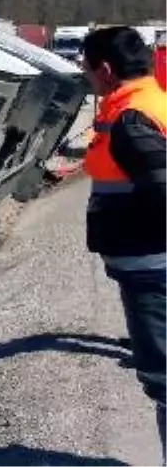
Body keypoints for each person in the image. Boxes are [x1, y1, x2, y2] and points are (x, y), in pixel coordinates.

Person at [78, 26, 167, 462]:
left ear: (107, 70)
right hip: (152, 265)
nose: (87, 76)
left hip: (154, 270)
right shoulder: (153, 102)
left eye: (87, 68)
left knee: (165, 378)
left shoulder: (132, 119)